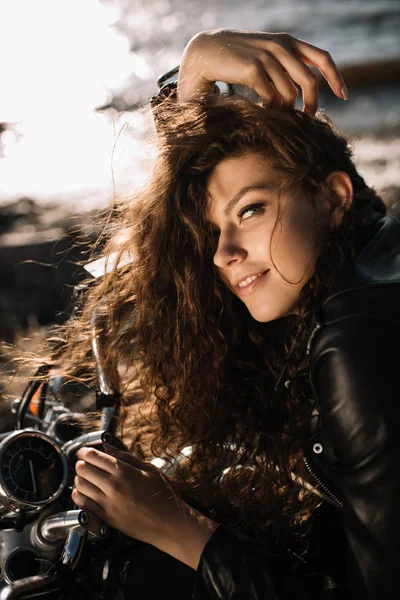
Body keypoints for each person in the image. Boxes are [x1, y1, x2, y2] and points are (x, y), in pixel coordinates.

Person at [52, 29, 398, 598]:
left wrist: (180, 530)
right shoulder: (369, 245)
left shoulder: (355, 344)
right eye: (215, 229)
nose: (221, 253)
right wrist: (186, 82)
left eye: (252, 210)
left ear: (333, 198)